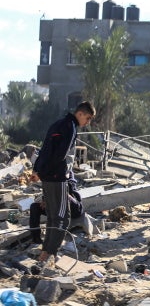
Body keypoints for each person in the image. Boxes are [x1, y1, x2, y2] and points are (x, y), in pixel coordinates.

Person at [33, 100, 95, 264]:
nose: (87, 122)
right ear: (80, 114)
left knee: (53, 217)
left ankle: (45, 252)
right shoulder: (70, 127)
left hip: (47, 176)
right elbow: (61, 155)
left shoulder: (57, 124)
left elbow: (45, 148)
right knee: (62, 218)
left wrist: (37, 170)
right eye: (87, 118)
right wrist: (51, 172)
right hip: (57, 177)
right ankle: (49, 254)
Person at [29, 171, 84, 244]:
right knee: (34, 207)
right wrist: (45, 199)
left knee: (64, 196)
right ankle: (36, 238)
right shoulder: (48, 175)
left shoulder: (67, 172)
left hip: (73, 208)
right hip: (55, 207)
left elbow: (70, 187)